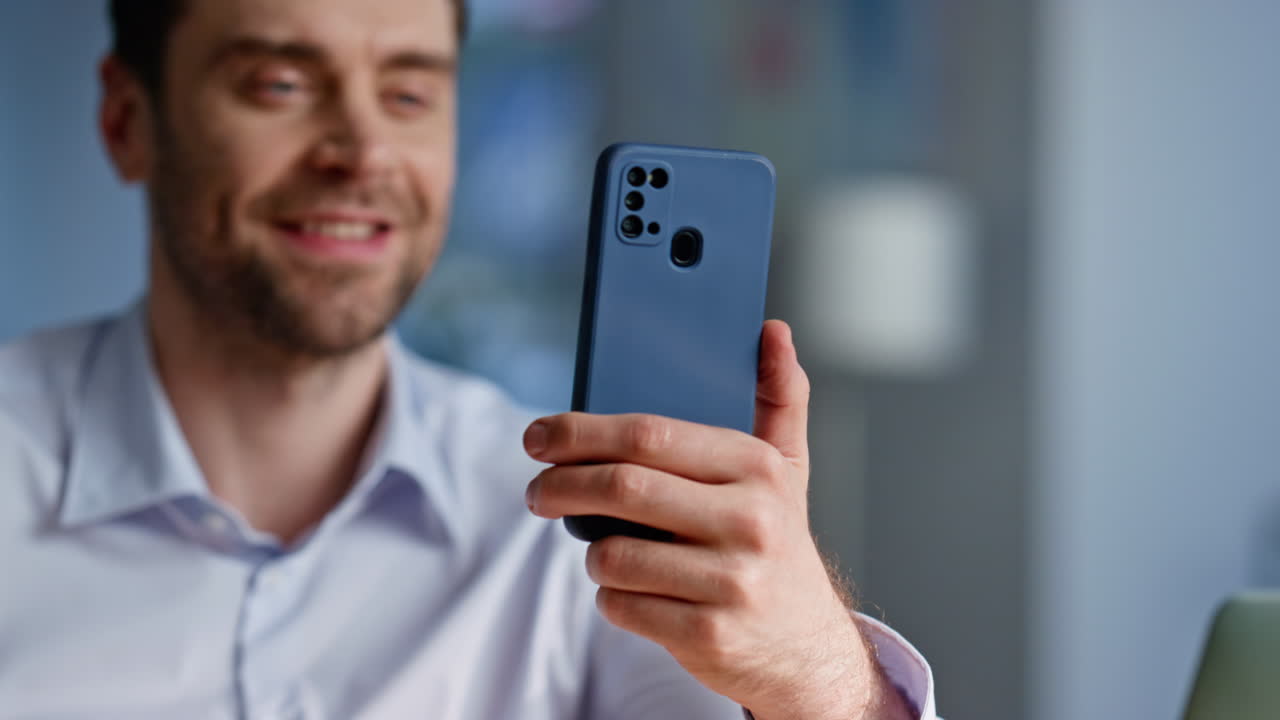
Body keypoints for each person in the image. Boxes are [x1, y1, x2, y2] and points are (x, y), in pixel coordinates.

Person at [0, 0, 939, 718]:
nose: (363, 152)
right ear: (128, 122)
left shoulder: (594, 524)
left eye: (409, 94)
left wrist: (817, 676)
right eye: (280, 86)